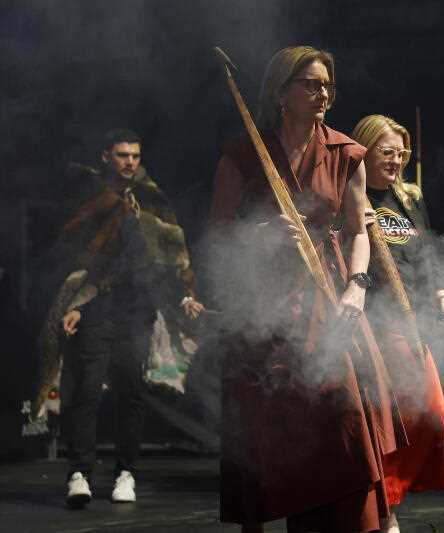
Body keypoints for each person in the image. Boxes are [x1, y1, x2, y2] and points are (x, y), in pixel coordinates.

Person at [209, 46, 404, 533]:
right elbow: (218, 234)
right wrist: (259, 235)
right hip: (262, 301)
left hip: (326, 291)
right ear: (281, 93)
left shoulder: (345, 153)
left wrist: (357, 287)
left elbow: (360, 231)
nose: (323, 94)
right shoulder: (242, 154)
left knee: (341, 413)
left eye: (328, 86)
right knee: (268, 418)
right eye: (311, 85)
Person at [53, 129, 204, 508]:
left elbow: (169, 255)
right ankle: (79, 473)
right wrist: (77, 301)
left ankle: (126, 472)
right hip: (95, 305)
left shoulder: (150, 198)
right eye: (123, 155)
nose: (130, 162)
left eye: (135, 155)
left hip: (136, 307)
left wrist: (184, 294)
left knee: (130, 390)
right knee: (87, 389)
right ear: (107, 157)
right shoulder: (90, 196)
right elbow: (73, 253)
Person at [352, 114, 444, 533]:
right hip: (379, 322)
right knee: (390, 421)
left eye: (402, 153)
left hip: (414, 319)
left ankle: (387, 502)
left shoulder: (409, 198)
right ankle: (385, 512)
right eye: (387, 152)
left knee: (431, 414)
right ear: (364, 150)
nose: (396, 160)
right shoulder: (352, 196)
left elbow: (427, 255)